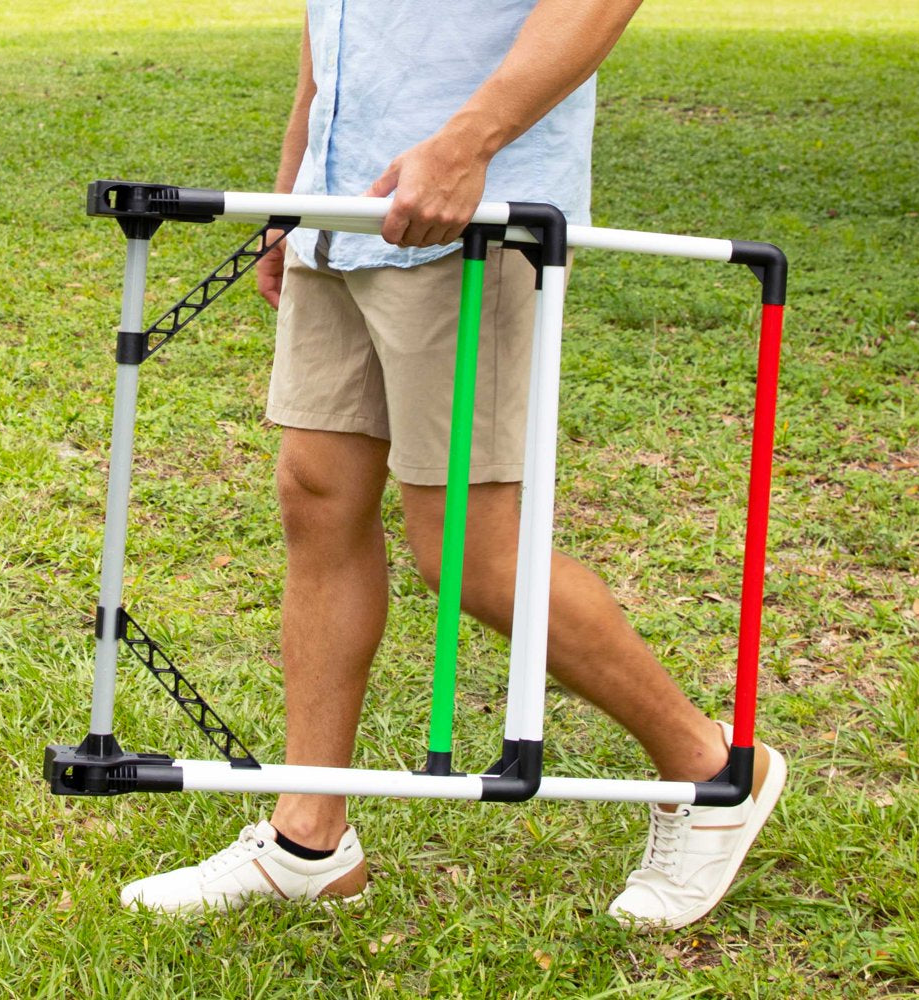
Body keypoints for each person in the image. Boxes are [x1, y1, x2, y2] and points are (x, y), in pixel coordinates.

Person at [121, 0, 786, 930]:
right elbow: (337, 28)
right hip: (340, 204)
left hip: (471, 213)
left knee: (471, 552)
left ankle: (714, 768)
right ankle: (309, 838)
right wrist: (292, 189)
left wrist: (469, 140)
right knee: (317, 497)